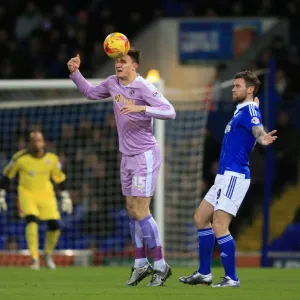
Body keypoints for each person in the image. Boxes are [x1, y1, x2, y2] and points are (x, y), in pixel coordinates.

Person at [67, 49, 176, 287]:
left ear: (134, 66)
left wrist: (141, 108)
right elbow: (90, 93)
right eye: (117, 61)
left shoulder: (144, 87)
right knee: (131, 210)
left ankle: (160, 264)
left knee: (141, 210)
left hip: (145, 155)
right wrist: (75, 73)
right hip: (126, 156)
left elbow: (170, 111)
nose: (118, 65)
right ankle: (140, 264)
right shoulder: (112, 83)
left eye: (123, 62)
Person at [179, 70, 277, 287]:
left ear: (250, 89)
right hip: (223, 177)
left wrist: (262, 138)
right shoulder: (242, 110)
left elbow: (257, 129)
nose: (233, 89)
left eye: (237, 86)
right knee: (200, 218)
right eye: (233, 86)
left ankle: (232, 277)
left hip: (235, 176)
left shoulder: (250, 109)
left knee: (220, 225)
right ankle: (204, 273)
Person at [0, 130, 73, 270]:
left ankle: (47, 253)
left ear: (43, 142)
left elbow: (59, 178)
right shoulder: (19, 158)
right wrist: (1, 194)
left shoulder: (52, 159)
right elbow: (7, 176)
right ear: (29, 142)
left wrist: (65, 197)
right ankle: (34, 259)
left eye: (39, 140)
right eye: (33, 140)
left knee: (55, 226)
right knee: (32, 220)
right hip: (27, 194)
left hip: (47, 195)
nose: (36, 143)